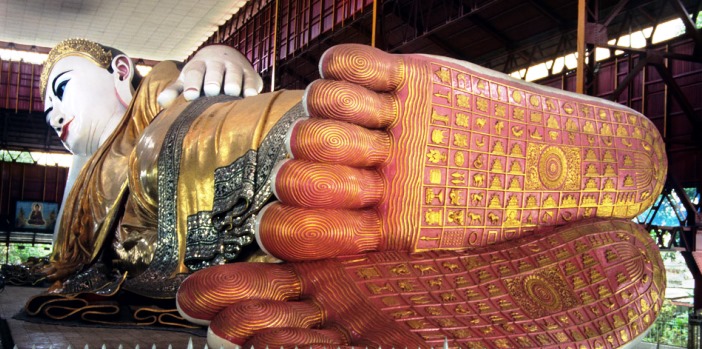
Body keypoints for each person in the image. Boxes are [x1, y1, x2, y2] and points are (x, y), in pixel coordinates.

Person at [38, 38, 666, 347]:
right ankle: (379, 263)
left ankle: (382, 165)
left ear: (120, 70)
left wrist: (215, 55)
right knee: (275, 248)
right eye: (43, 111)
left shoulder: (155, 97)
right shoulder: (83, 189)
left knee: (195, 148)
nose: (51, 114)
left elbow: (190, 84)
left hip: (201, 154)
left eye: (62, 88)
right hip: (221, 251)